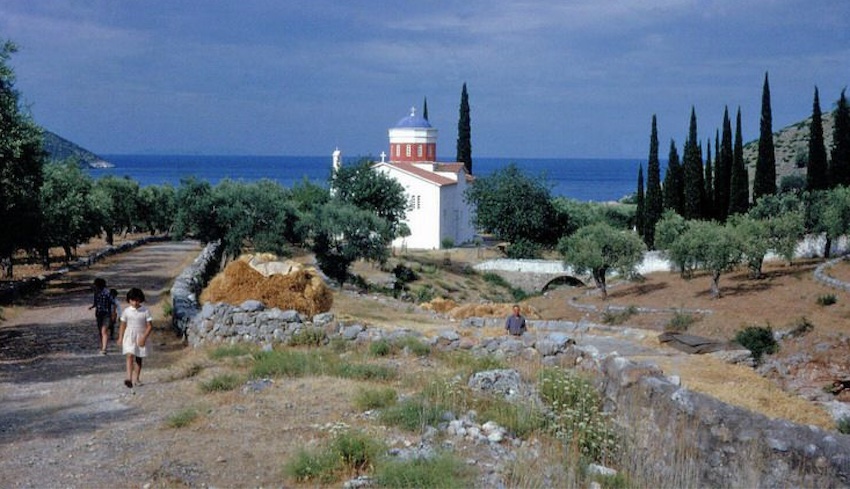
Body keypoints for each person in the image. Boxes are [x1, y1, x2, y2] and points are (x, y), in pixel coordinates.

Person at [117, 287, 153, 388]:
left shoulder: (145, 311)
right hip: (129, 336)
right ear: (129, 300)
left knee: (138, 358)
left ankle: (136, 378)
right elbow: (123, 325)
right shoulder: (126, 311)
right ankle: (128, 378)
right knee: (129, 355)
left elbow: (150, 326)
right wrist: (120, 337)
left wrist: (144, 338)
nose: (135, 302)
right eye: (132, 300)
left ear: (140, 299)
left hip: (141, 336)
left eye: (137, 300)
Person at [89, 277, 112, 354]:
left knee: (104, 330)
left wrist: (113, 314)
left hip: (106, 314)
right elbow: (96, 302)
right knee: (100, 331)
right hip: (99, 314)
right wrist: (92, 306)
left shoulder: (107, 293)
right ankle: (103, 345)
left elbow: (112, 303)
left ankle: (104, 348)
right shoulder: (96, 293)